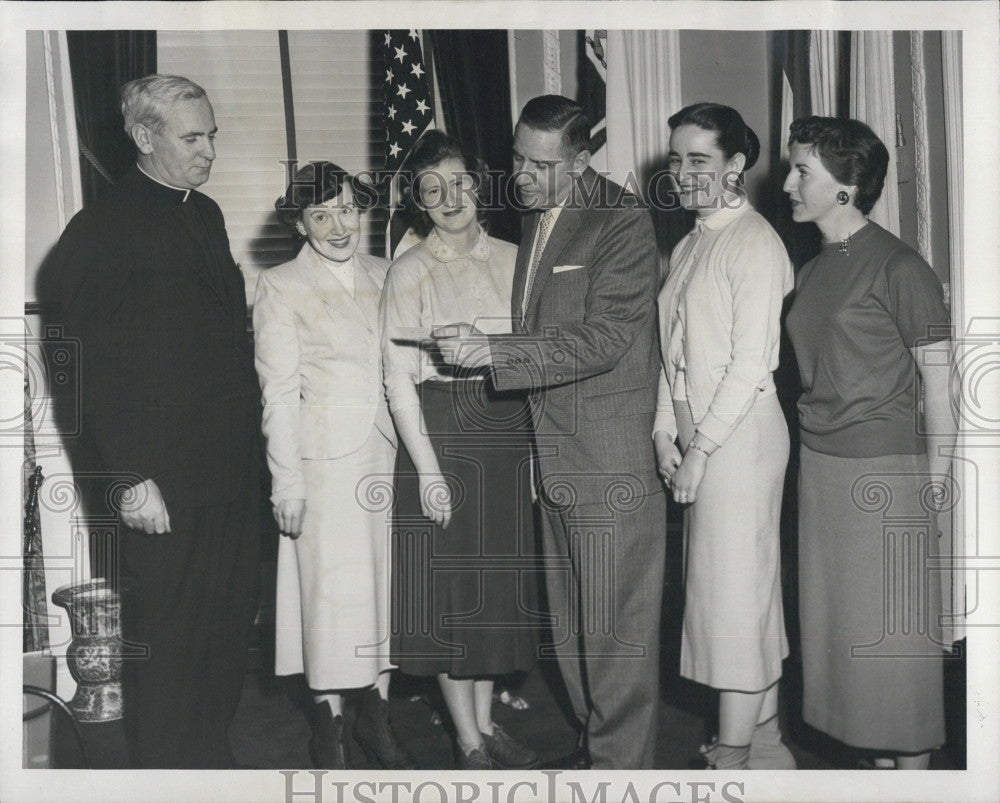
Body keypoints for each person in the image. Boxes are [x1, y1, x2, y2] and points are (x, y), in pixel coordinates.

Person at [434, 95, 666, 770]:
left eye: (541, 164)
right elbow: (547, 330)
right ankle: (601, 754)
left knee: (616, 639)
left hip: (608, 459)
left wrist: (495, 353)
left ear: (581, 159)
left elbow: (606, 338)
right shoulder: (539, 218)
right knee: (571, 634)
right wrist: (487, 340)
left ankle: (621, 772)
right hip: (557, 453)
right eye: (517, 157)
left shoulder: (620, 219)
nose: (524, 175)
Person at [40, 74, 262, 768]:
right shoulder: (101, 230)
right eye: (192, 137)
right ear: (144, 137)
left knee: (223, 642)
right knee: (168, 652)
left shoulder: (207, 215)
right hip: (160, 486)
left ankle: (208, 768)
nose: (208, 151)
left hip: (229, 475)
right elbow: (85, 367)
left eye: (212, 135)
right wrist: (129, 477)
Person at [783, 116, 956, 769]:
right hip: (822, 469)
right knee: (846, 646)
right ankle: (881, 769)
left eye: (803, 171)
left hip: (883, 475)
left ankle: (913, 772)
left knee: (895, 650)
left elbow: (939, 392)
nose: (791, 182)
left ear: (847, 187)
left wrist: (930, 493)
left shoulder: (901, 267)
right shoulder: (816, 267)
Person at [380, 130, 539, 770]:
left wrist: (534, 455)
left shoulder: (516, 257)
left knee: (492, 595)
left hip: (506, 429)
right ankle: (470, 743)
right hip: (441, 430)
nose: (449, 198)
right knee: (452, 596)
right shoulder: (409, 269)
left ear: (479, 183)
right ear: (418, 202)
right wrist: (428, 472)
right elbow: (396, 379)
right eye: (431, 189)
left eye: (459, 181)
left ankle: (483, 723)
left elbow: (537, 352)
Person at [253, 162, 413, 770]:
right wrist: (285, 482)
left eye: (345, 209)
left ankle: (378, 719)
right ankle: (330, 730)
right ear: (299, 223)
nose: (337, 225)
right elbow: (278, 392)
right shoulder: (281, 285)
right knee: (326, 597)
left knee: (383, 590)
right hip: (322, 466)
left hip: (387, 454)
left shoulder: (389, 271)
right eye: (320, 214)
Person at [654, 103, 795, 770]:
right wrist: (664, 432)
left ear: (736, 165)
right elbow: (672, 353)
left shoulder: (754, 242)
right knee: (729, 596)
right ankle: (764, 744)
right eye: (676, 159)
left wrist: (702, 449)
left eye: (699, 160)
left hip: (740, 441)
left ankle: (733, 755)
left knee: (736, 597)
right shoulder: (687, 243)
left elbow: (750, 363)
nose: (682, 173)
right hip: (700, 442)